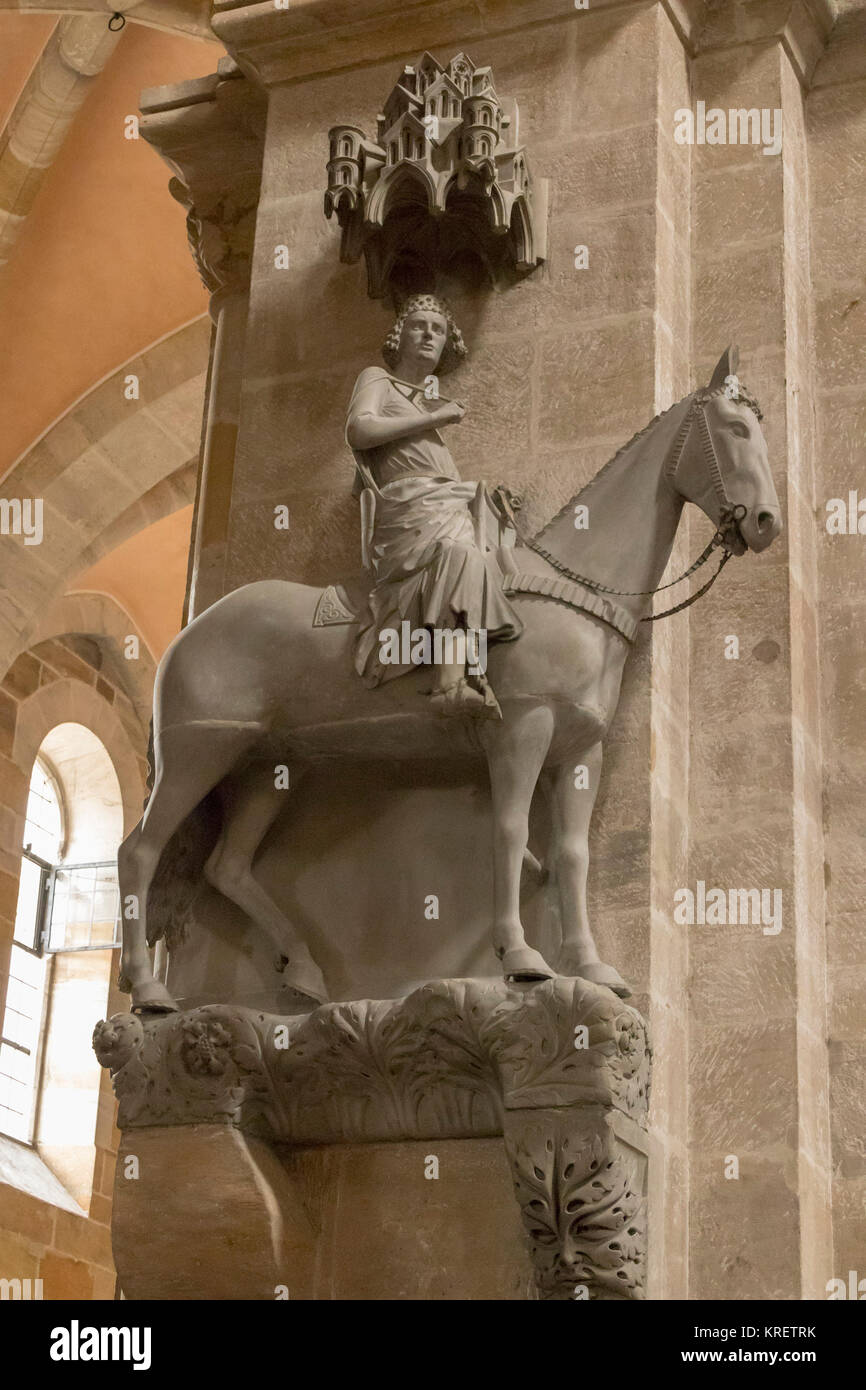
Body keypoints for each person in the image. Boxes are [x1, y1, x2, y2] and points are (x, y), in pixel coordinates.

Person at [346, 293, 521, 716]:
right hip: (409, 510)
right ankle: (447, 686)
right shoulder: (379, 380)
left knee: (488, 562)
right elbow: (359, 429)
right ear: (399, 335)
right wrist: (434, 418)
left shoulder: (421, 399)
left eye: (438, 329)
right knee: (461, 555)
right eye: (418, 325)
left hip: (441, 504)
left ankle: (469, 667)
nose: (428, 334)